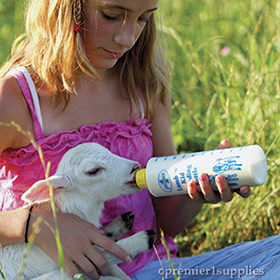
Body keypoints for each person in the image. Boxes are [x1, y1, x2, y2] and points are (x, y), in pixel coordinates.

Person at [0, 0, 255, 279]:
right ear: (68, 8)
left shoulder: (143, 85)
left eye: (144, 18)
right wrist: (32, 224)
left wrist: (199, 192)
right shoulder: (16, 99)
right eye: (111, 16)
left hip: (151, 269)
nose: (128, 38)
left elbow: (169, 219)